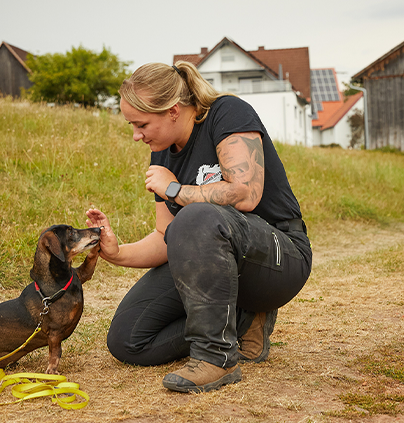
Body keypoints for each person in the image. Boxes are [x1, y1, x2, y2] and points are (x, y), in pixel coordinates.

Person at [85, 61, 312, 393]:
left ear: (173, 111)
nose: (136, 136)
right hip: (214, 265)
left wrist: (176, 190)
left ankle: (216, 358)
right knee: (127, 339)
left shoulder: (227, 113)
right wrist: (117, 253)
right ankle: (241, 321)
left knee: (197, 216)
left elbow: (246, 194)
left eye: (141, 124)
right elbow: (167, 238)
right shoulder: (160, 155)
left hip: (279, 258)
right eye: (132, 125)